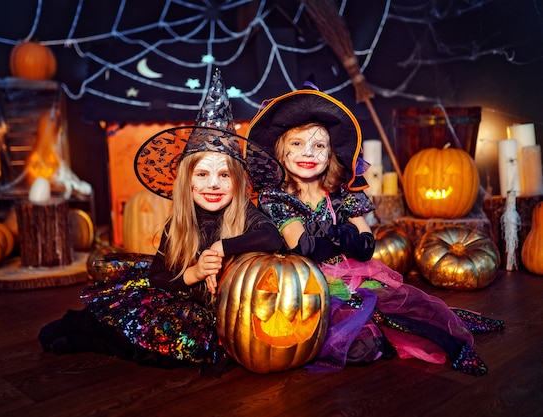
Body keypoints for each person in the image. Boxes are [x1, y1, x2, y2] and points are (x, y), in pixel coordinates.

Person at [246, 83, 504, 376]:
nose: (309, 153)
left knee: (398, 305)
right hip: (308, 284)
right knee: (362, 340)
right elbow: (303, 247)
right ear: (281, 149)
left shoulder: (341, 192)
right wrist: (339, 236)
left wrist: (353, 240)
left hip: (352, 272)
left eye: (319, 145)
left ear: (330, 152)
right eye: (297, 144)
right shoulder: (277, 196)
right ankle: (412, 333)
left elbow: (366, 242)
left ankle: (453, 333)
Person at [39, 68, 285, 370]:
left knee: (159, 348)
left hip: (217, 315)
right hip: (181, 297)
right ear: (188, 182)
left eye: (224, 175)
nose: (213, 184)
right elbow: (158, 277)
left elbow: (274, 236)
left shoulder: (245, 215)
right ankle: (81, 327)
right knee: (132, 311)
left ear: (237, 182)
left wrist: (222, 247)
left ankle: (91, 339)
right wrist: (193, 273)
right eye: (203, 174)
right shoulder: (180, 224)